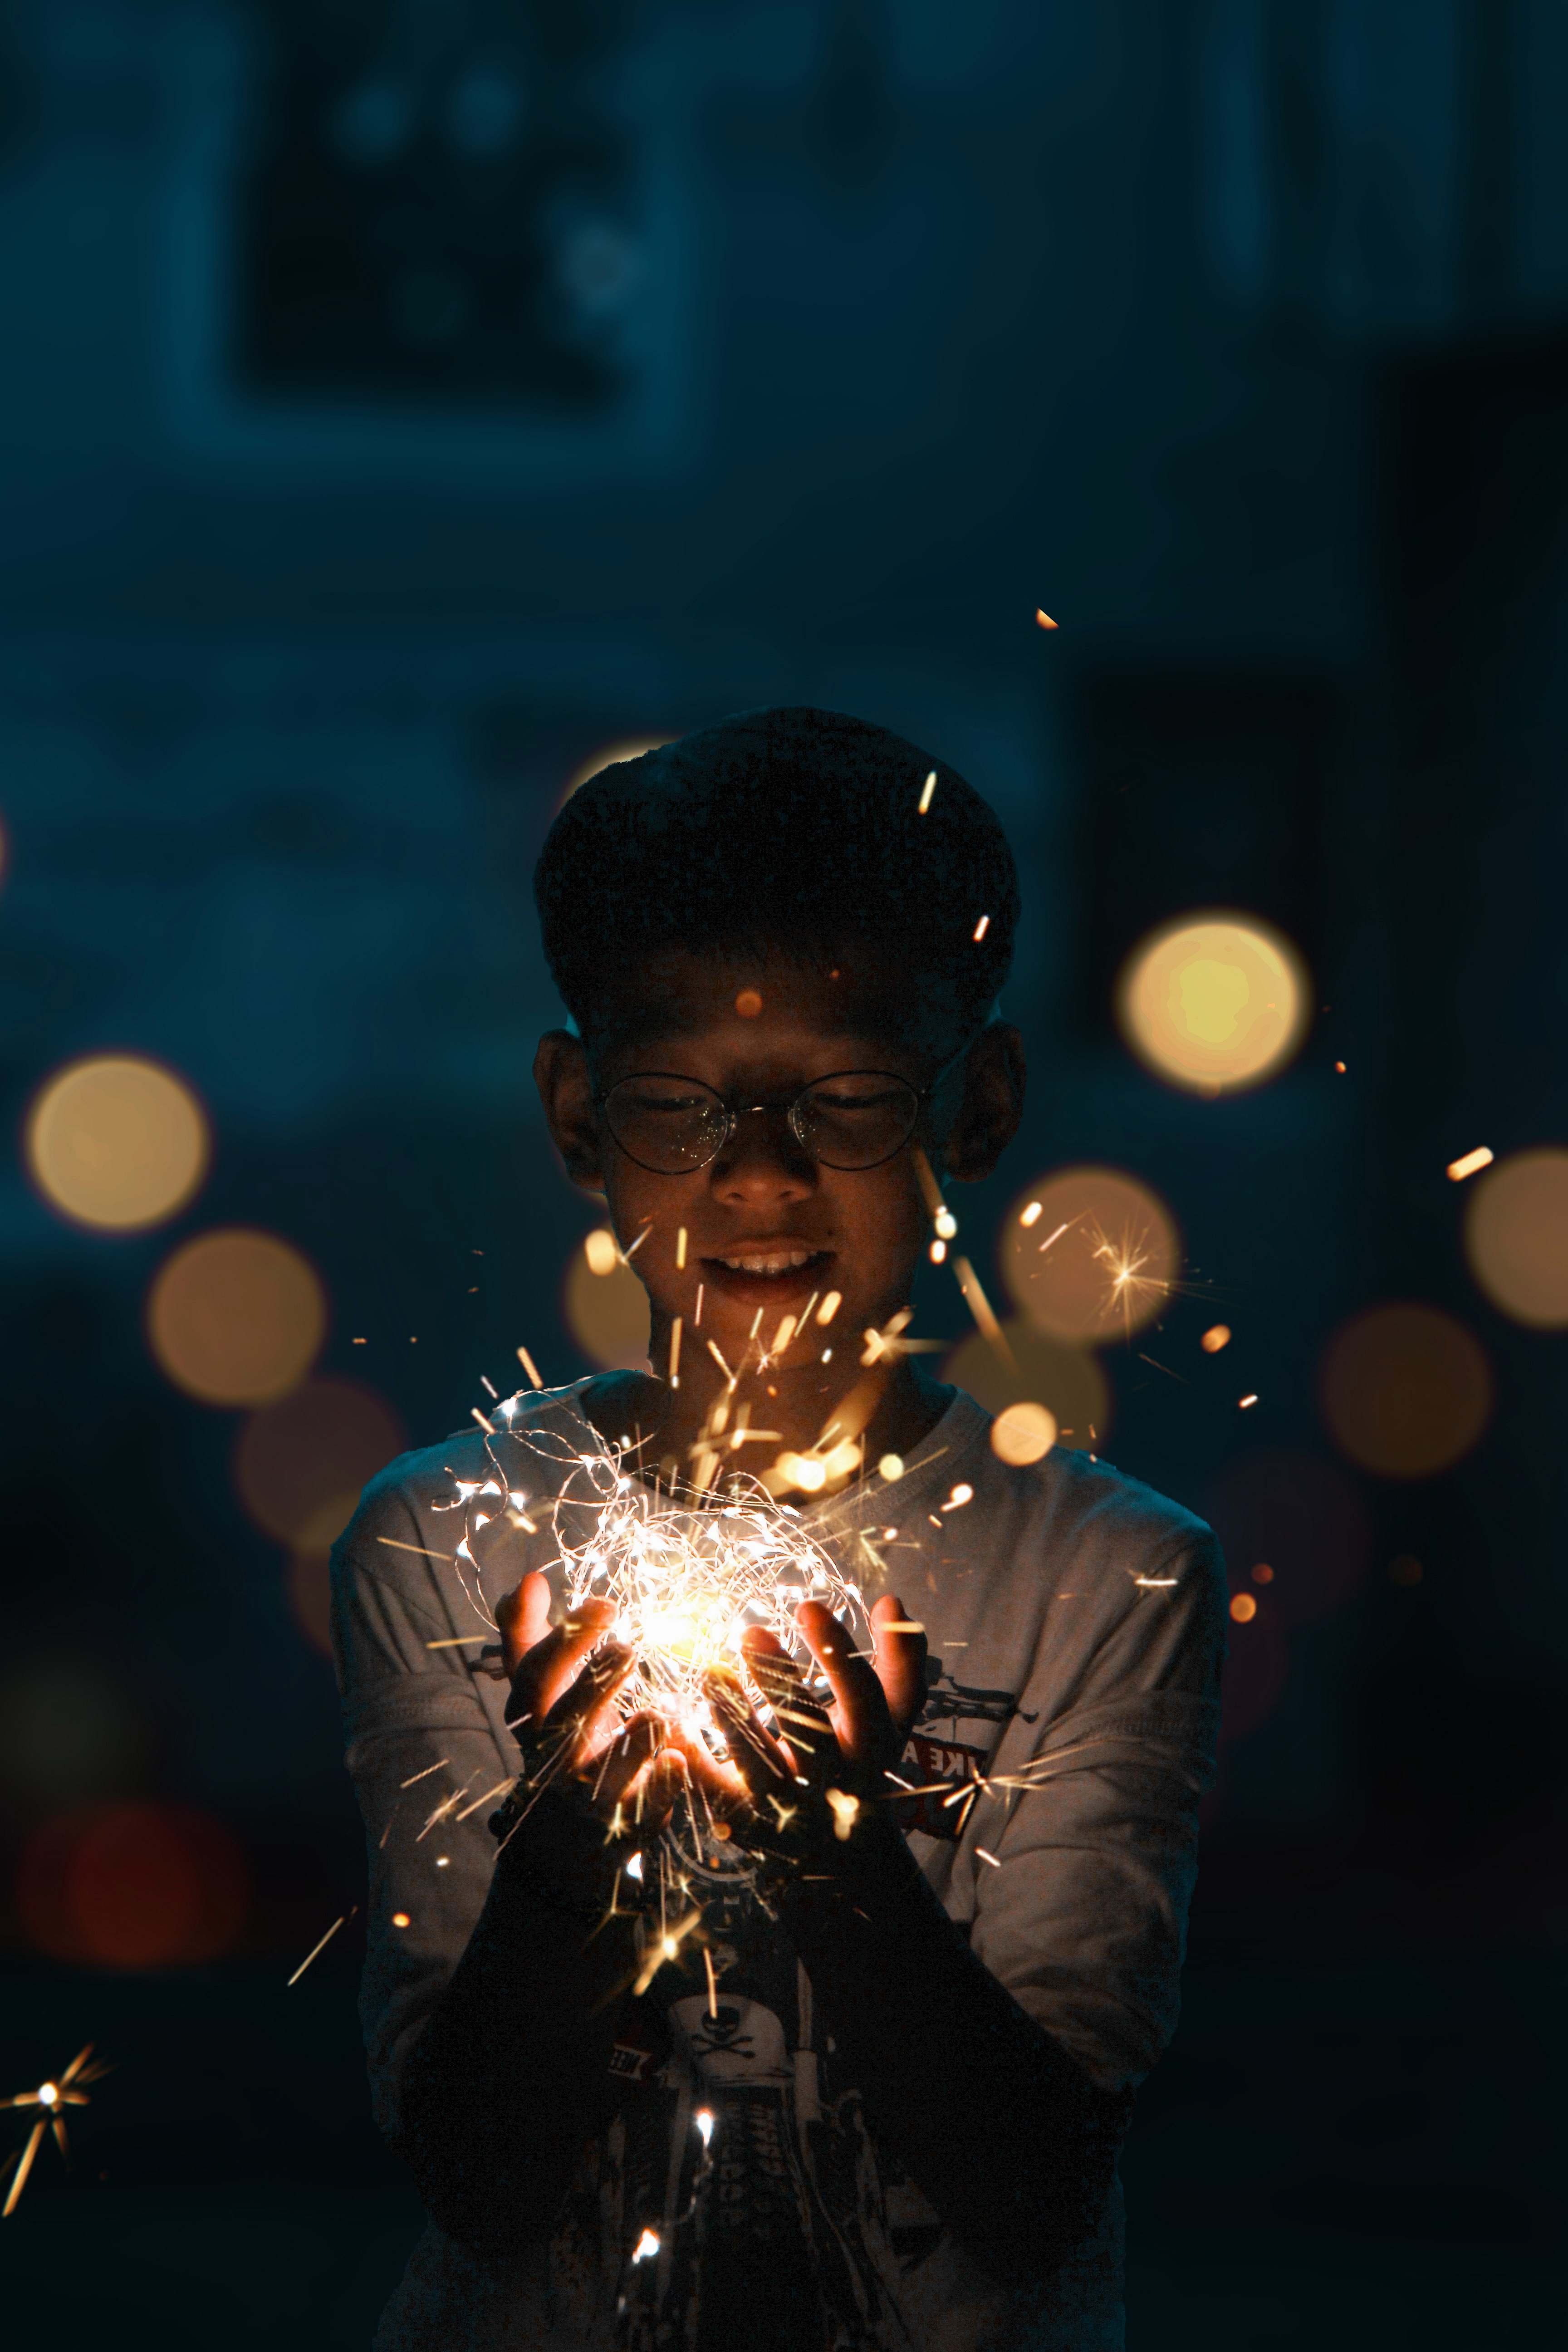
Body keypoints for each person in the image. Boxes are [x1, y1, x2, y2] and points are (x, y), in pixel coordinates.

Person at [331, 706, 1226, 2351]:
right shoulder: (446, 1547)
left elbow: (1032, 2191)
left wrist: (834, 1848)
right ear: (579, 1118)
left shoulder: (1113, 1575)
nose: (758, 1177)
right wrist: (575, 1854)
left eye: (847, 1099)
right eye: (682, 1105)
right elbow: (472, 2177)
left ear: (981, 1104)